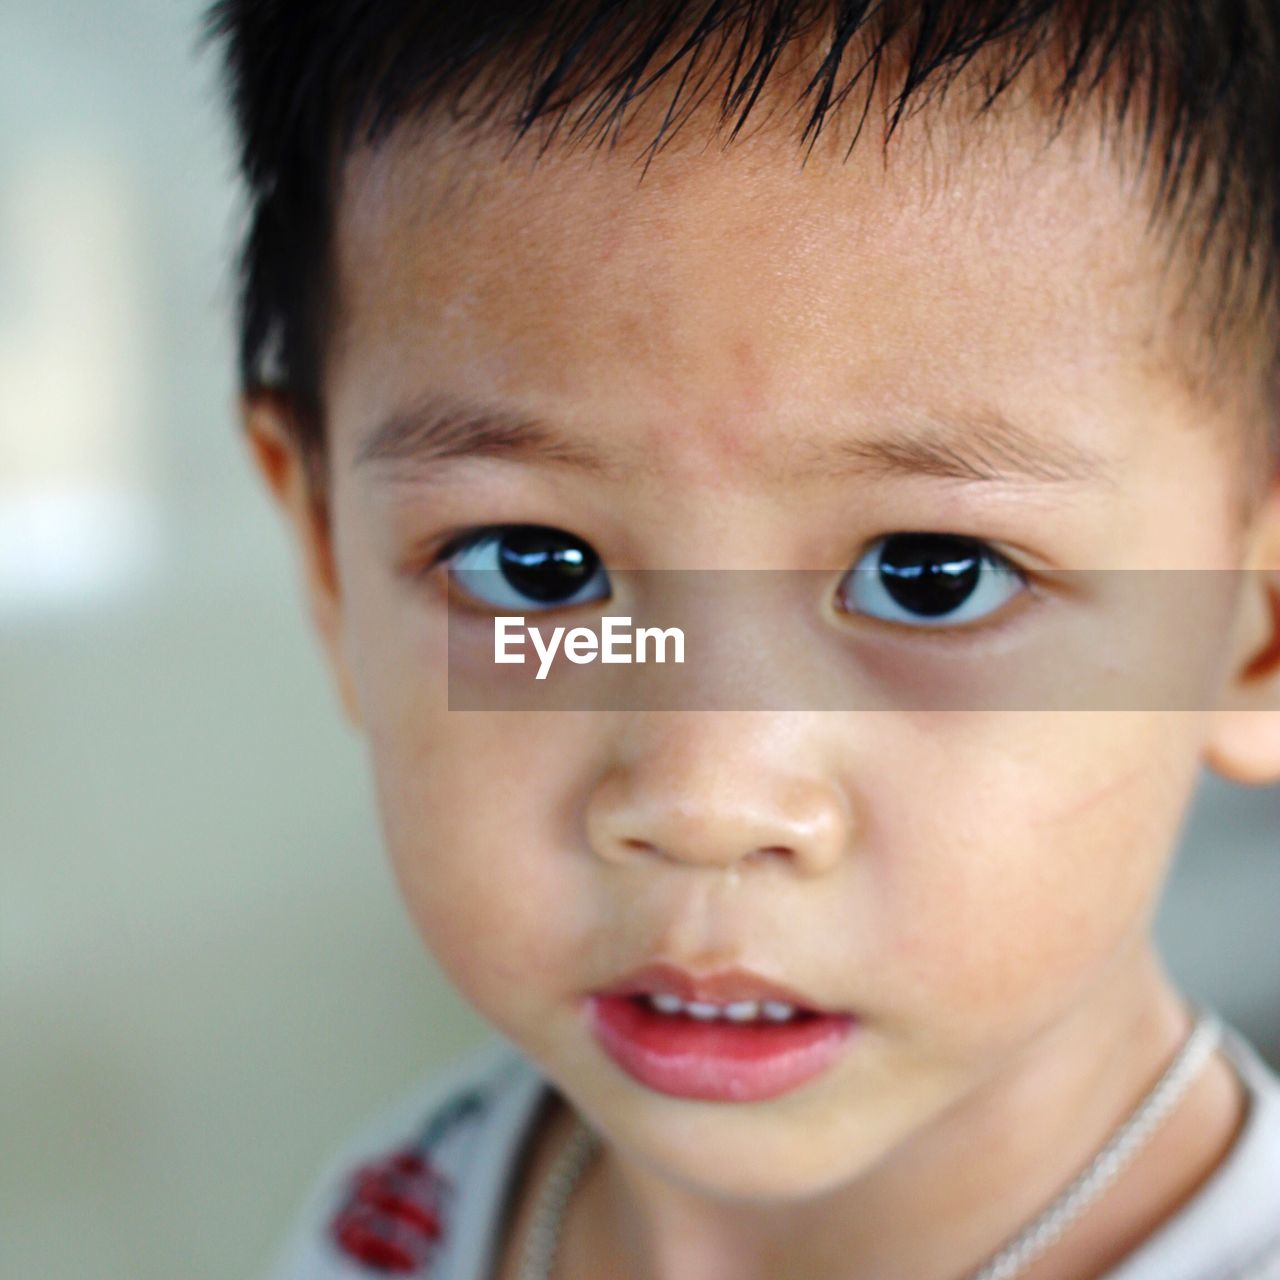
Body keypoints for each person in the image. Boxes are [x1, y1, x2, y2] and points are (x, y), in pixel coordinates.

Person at [201, 3, 1280, 1277]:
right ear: (328, 559)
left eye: (932, 577)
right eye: (534, 568)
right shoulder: (394, 1211)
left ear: (1254, 630)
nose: (702, 798)